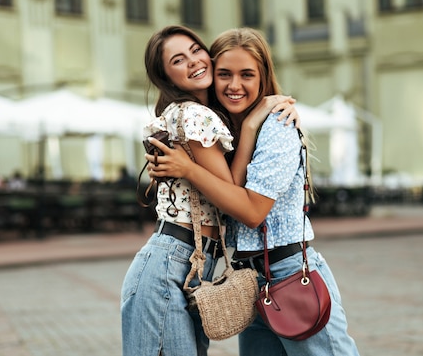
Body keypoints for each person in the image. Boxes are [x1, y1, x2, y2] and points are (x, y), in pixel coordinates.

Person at [146, 28, 360, 356]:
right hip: (250, 282)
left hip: (290, 274)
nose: (234, 85)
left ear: (263, 78)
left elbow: (251, 210)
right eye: (224, 74)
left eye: (247, 75)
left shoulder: (277, 126)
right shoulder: (221, 134)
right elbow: (223, 189)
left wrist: (191, 168)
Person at [120, 25, 298, 356]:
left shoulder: (203, 115)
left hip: (187, 265)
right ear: (167, 77)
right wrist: (250, 124)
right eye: (178, 60)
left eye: (195, 50)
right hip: (171, 263)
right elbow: (233, 195)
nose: (193, 62)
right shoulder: (194, 115)